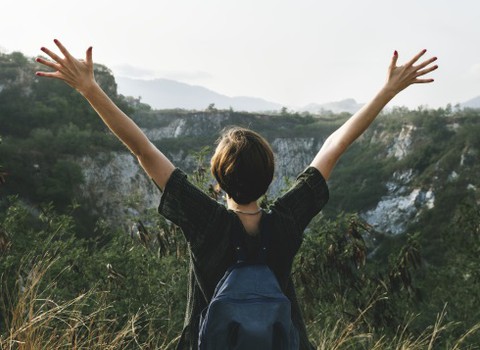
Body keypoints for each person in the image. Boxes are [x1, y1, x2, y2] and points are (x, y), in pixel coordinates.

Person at [36, 40, 437, 349]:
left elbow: (142, 148)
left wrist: (88, 88)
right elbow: (334, 146)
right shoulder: (286, 221)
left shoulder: (205, 223)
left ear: (217, 178)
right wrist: (387, 92)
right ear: (270, 177)